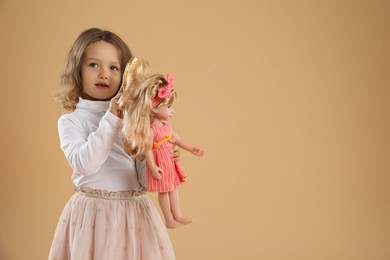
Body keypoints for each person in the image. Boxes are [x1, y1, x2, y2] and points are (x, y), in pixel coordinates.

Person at [48, 28, 177, 260]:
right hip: (92, 217)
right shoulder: (71, 122)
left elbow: (141, 180)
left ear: (126, 76)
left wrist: (159, 159)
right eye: (93, 65)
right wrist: (113, 117)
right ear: (76, 69)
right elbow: (85, 164)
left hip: (134, 216)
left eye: (113, 67)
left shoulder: (135, 120)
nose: (104, 74)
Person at [119, 58, 204, 229]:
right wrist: (152, 166)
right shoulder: (150, 130)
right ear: (155, 108)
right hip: (160, 163)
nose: (172, 111)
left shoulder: (166, 126)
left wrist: (191, 148)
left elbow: (178, 139)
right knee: (164, 191)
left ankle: (177, 214)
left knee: (173, 188)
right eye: (169, 107)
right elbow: (148, 149)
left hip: (168, 162)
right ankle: (169, 219)